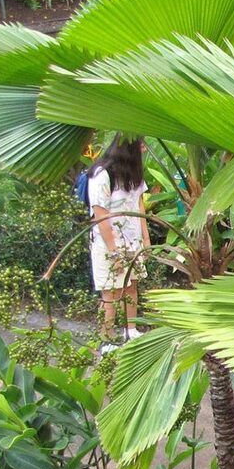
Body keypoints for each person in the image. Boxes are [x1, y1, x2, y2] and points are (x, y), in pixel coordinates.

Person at [87, 136, 150, 341]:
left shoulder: (134, 173)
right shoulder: (102, 175)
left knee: (131, 286)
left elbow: (139, 204)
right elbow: (100, 214)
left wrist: (145, 238)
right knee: (111, 292)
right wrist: (114, 249)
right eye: (141, 144)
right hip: (107, 243)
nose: (145, 149)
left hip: (132, 241)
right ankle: (107, 337)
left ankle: (130, 330)